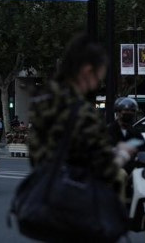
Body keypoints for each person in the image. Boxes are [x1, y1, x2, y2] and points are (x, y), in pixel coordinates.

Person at [28, 34, 136, 197]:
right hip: (76, 203)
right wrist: (122, 154)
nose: (98, 83)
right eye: (99, 76)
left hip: (42, 197)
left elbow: (37, 156)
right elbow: (105, 168)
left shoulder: (42, 103)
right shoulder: (83, 113)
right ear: (87, 71)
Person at [107, 97, 145, 174]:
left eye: (132, 111)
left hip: (133, 170)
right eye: (126, 110)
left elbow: (143, 149)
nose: (129, 113)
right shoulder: (109, 130)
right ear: (118, 112)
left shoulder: (135, 132)